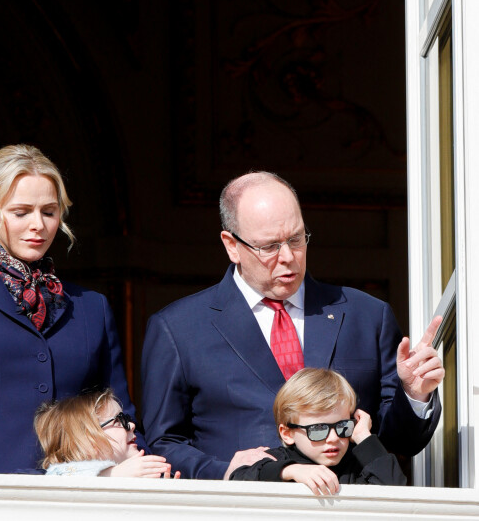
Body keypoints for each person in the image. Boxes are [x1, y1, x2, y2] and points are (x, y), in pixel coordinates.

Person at [141, 171, 444, 480]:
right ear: (232, 245)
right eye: (270, 246)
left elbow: (400, 442)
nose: (288, 257)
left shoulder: (366, 316)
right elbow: (165, 443)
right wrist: (231, 472)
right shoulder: (178, 328)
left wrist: (414, 395)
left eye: (296, 239)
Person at [0, 144, 143, 473]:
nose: (38, 224)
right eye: (21, 212)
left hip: (82, 496)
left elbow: (120, 415)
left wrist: (147, 468)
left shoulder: (93, 308)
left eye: (49, 212)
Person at [230, 368, 407, 493]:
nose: (333, 438)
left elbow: (394, 490)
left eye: (342, 427)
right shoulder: (278, 459)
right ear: (287, 433)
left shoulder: (357, 466)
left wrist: (364, 437)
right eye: (318, 429)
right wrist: (290, 471)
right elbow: (237, 478)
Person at [35, 389, 179, 478]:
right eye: (119, 420)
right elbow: (58, 477)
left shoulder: (134, 474)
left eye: (127, 419)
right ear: (87, 440)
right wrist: (113, 474)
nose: (132, 425)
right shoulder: (62, 474)